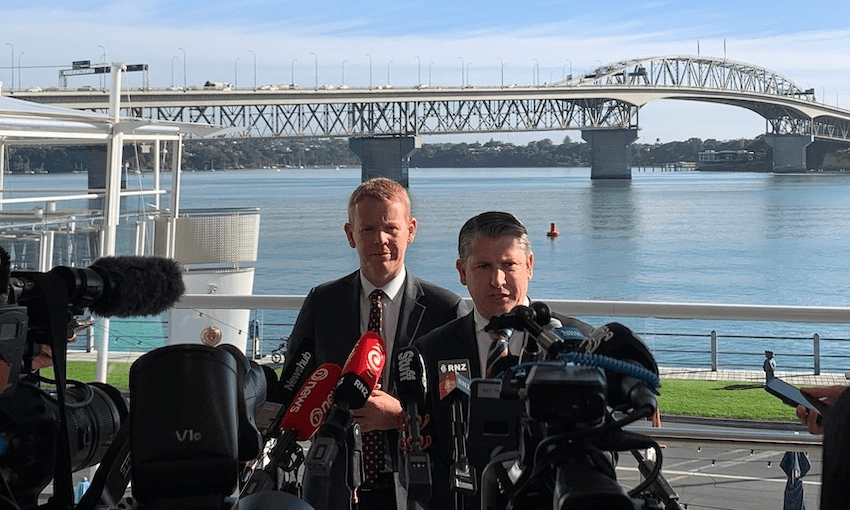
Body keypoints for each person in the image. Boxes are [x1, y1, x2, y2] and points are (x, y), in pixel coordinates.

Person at [284, 177, 469, 510]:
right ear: (350, 235)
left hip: (417, 484)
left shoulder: (448, 309)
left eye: (391, 228)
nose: (380, 240)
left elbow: (460, 412)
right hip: (336, 482)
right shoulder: (322, 302)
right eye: (367, 229)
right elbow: (293, 386)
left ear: (410, 230)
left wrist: (400, 416)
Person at [413, 211, 590, 510]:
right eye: (483, 266)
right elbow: (427, 453)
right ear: (461, 271)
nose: (498, 280)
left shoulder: (578, 343)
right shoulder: (429, 351)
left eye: (509, 265)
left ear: (529, 265)